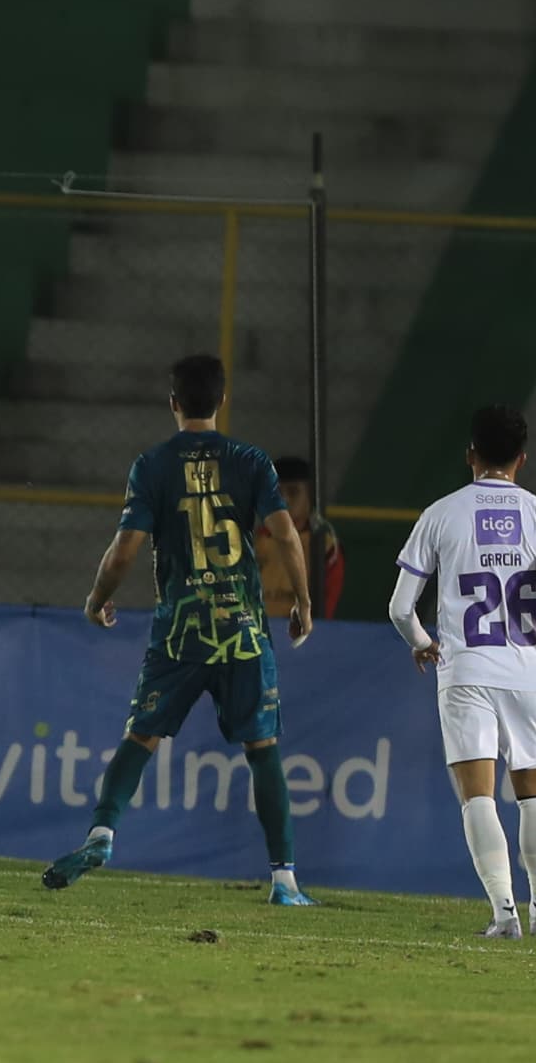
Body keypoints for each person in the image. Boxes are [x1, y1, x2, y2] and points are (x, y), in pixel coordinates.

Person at [38, 353, 314, 904]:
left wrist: (98, 599)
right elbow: (285, 534)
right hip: (240, 629)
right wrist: (303, 600)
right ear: (222, 400)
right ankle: (283, 879)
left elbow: (124, 551)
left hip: (180, 631)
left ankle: (101, 833)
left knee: (139, 739)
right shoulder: (251, 461)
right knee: (263, 750)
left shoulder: (153, 466)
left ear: (172, 403)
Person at [390, 405, 536, 938]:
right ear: (522, 459)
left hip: (463, 669)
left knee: (478, 795)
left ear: (470, 454)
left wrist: (422, 643)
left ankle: (502, 913)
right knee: (535, 789)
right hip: (529, 672)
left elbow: (400, 607)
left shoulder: (441, 514)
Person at [273, 455, 347, 621]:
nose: (284, 500)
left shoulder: (324, 547)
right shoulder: (254, 541)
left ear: (311, 496)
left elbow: (327, 606)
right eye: (276, 493)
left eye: (293, 492)